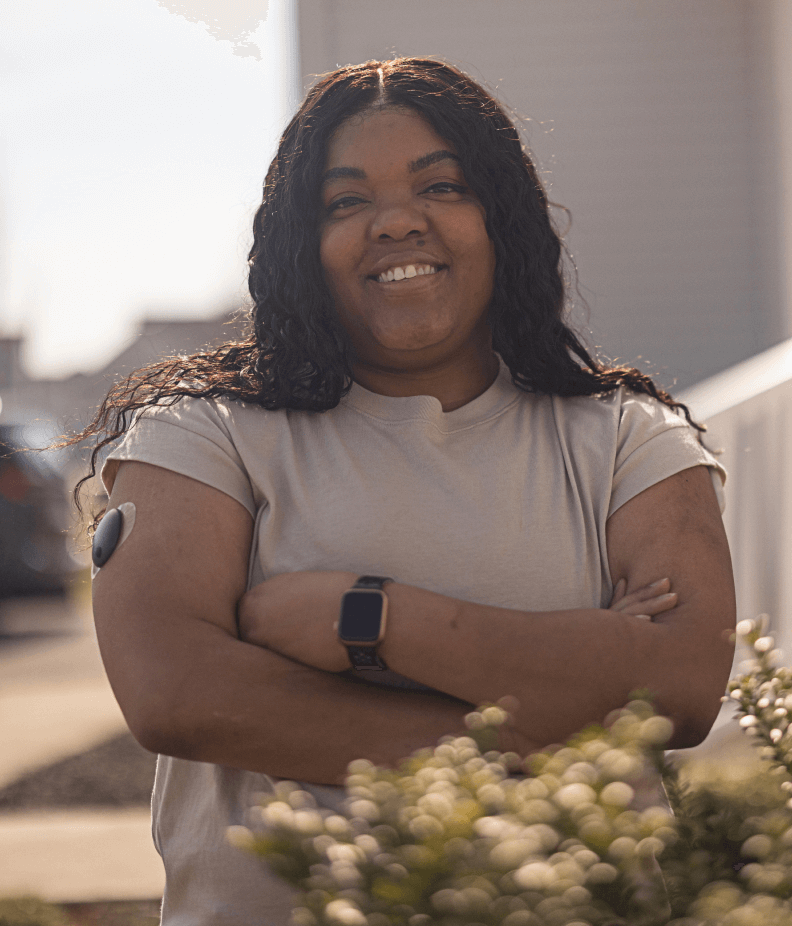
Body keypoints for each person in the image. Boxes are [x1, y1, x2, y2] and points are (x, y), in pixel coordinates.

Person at [79, 57, 735, 925]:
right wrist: (526, 729)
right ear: (301, 245)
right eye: (346, 202)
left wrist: (367, 619)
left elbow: (680, 687)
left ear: (502, 221)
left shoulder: (626, 440)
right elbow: (177, 693)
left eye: (443, 186)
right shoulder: (205, 434)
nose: (396, 223)